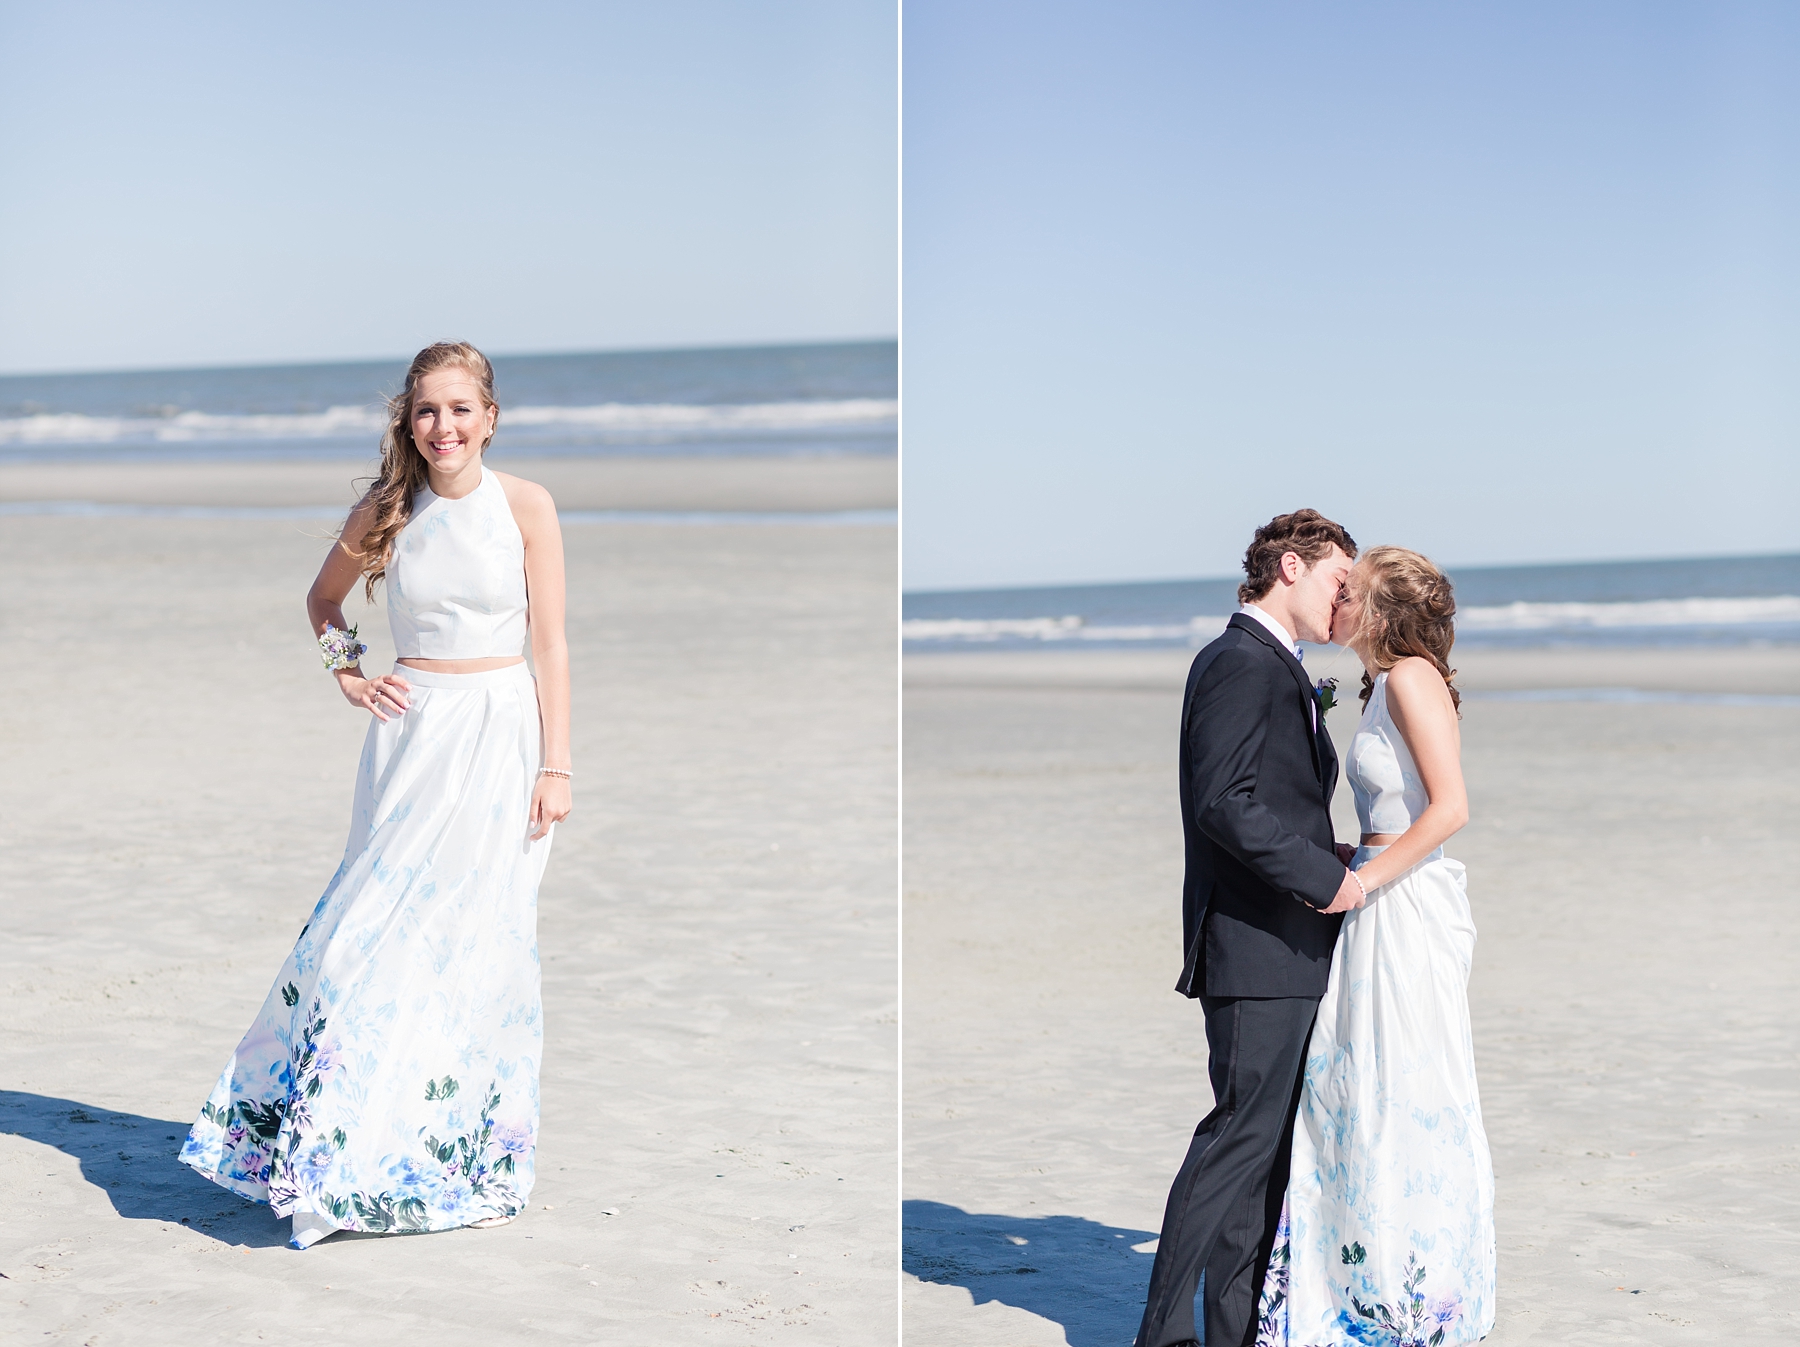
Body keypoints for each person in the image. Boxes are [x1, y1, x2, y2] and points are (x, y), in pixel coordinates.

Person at [178, 341, 573, 1250]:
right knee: (364, 937)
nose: (446, 427)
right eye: (429, 410)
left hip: (504, 735)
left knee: (475, 946)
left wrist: (558, 765)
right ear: (409, 419)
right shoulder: (388, 509)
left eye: (462, 409)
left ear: (491, 417)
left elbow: (550, 642)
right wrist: (348, 675)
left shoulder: (528, 506)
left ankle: (439, 1150)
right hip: (411, 733)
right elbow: (320, 605)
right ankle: (330, 1157)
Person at [1254, 546, 1495, 1345]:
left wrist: (1364, 880)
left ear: (1380, 610)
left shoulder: (1411, 679)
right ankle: (1359, 1277)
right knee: (1355, 1093)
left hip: (1399, 904)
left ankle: (1403, 1295)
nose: (1338, 600)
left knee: (1399, 1095)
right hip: (1377, 894)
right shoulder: (1383, 686)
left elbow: (1451, 806)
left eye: (1351, 592)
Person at [1136, 509, 1363, 1347]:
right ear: (1292, 568)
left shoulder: (1280, 665)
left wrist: (1321, 846)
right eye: (1341, 578)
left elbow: (1262, 800)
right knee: (1233, 1141)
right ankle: (1159, 1339)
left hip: (1286, 947)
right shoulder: (1239, 660)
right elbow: (1220, 804)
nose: (1349, 597)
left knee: (1259, 1164)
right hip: (1256, 948)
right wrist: (1324, 878)